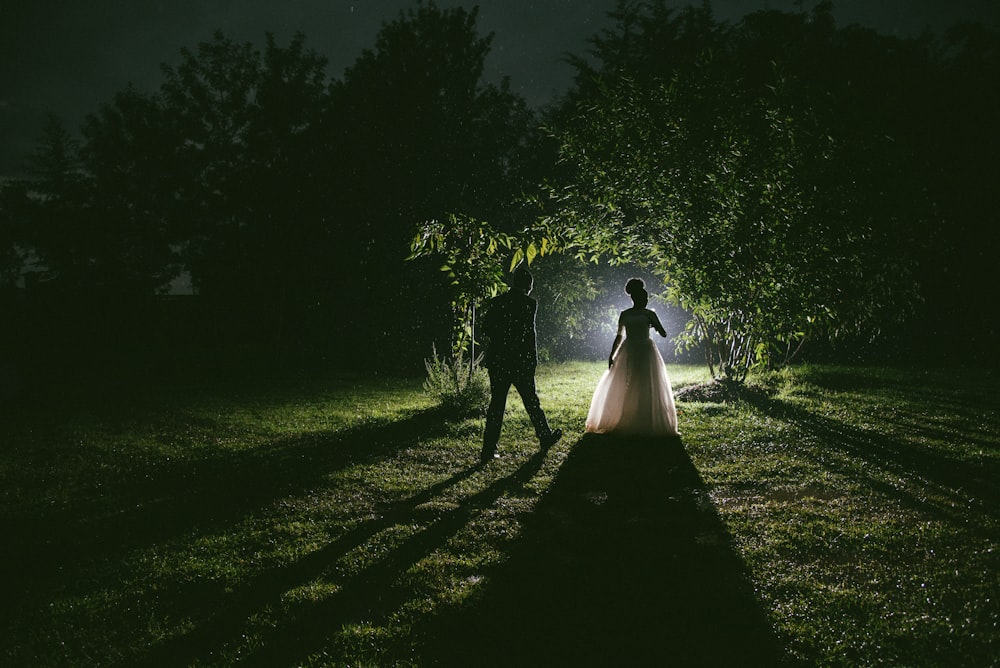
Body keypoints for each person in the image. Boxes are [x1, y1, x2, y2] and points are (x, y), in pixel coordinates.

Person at [480, 266, 562, 461]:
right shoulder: (529, 304)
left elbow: (486, 328)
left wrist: (501, 341)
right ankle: (544, 436)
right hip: (519, 361)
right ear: (529, 285)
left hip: (499, 360)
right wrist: (531, 358)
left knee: (497, 404)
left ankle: (488, 449)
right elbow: (529, 334)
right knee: (531, 400)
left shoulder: (498, 302)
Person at [585, 278, 679, 437]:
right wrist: (612, 354)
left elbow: (663, 333)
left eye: (646, 298)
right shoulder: (625, 314)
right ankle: (625, 417)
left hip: (645, 349)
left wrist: (655, 325)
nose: (645, 300)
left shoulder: (649, 314)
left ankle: (644, 419)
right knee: (627, 382)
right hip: (628, 349)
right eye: (643, 297)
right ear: (635, 298)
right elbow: (619, 336)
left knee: (645, 382)